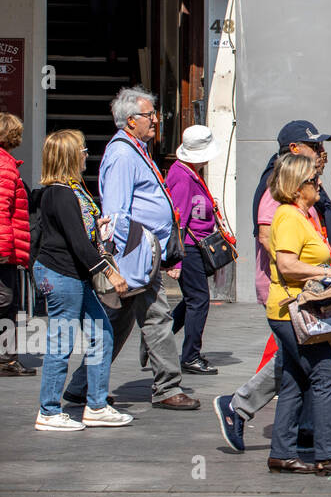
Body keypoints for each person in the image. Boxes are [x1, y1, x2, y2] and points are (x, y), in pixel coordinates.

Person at [64, 88, 198, 412]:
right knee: (156, 316)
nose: (155, 119)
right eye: (149, 115)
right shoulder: (123, 154)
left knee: (120, 321)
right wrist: (123, 261)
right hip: (134, 254)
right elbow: (115, 212)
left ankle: (82, 386)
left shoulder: (135, 149)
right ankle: (167, 386)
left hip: (142, 253)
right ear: (130, 120)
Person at [265, 153, 331, 476]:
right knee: (324, 374)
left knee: (295, 378)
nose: (319, 183)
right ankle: (327, 454)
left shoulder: (299, 215)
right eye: (312, 180)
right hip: (293, 309)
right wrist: (325, 274)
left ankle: (281, 452)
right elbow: (287, 264)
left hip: (291, 309)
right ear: (296, 187)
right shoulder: (289, 218)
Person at [31, 130, 132, 430]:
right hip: (62, 274)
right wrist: (110, 272)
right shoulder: (61, 192)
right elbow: (75, 242)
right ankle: (49, 411)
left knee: (101, 333)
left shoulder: (68, 189)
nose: (87, 153)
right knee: (61, 341)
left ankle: (96, 406)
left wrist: (95, 225)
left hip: (72, 274)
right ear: (69, 156)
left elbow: (74, 231)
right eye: (83, 149)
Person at [165, 125, 232, 375]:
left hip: (195, 247)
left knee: (193, 299)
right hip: (190, 249)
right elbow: (179, 219)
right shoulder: (182, 177)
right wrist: (177, 260)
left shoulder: (189, 173)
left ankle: (159, 336)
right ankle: (190, 355)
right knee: (199, 300)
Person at [0, 112, 35, 376]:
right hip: (4, 249)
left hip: (9, 247)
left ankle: (7, 358)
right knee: (5, 300)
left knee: (9, 304)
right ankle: (5, 358)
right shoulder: (4, 166)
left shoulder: (7, 164)